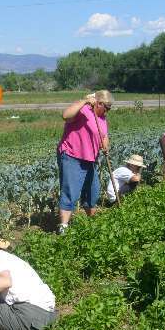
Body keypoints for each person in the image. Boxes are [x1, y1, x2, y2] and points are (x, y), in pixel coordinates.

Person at [56, 90, 113, 234]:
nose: (107, 111)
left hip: (90, 159)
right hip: (72, 155)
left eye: (109, 108)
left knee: (92, 191)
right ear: (98, 103)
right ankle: (63, 226)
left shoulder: (102, 118)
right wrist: (84, 101)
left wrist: (106, 146)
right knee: (71, 192)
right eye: (106, 107)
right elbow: (65, 115)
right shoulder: (83, 110)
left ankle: (92, 224)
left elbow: (104, 136)